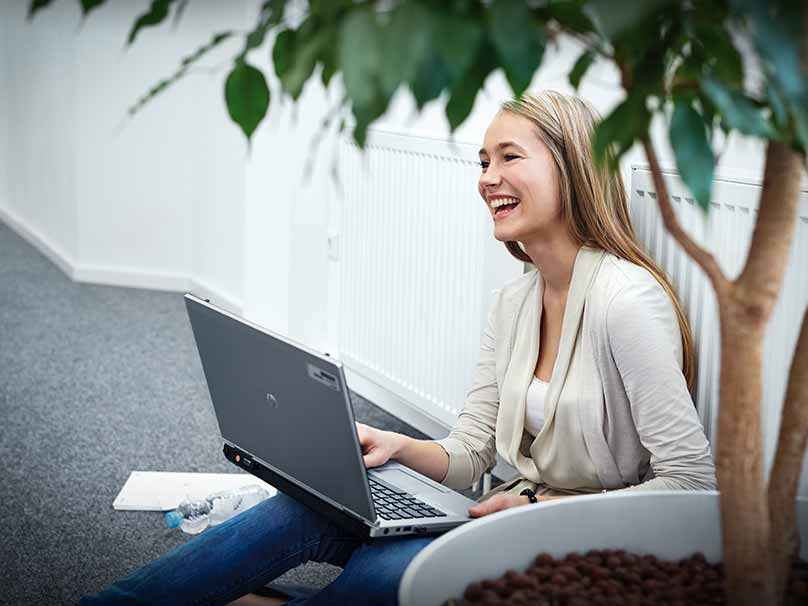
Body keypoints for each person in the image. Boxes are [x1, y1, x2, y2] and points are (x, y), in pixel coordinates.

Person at [80, 90, 716, 606]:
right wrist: (398, 447)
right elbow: (472, 451)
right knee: (304, 508)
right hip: (502, 516)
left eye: (509, 157)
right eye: (483, 162)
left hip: (585, 547)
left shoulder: (626, 303)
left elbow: (689, 484)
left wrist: (537, 508)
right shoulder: (515, 302)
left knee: (389, 576)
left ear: (572, 166)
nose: (488, 178)